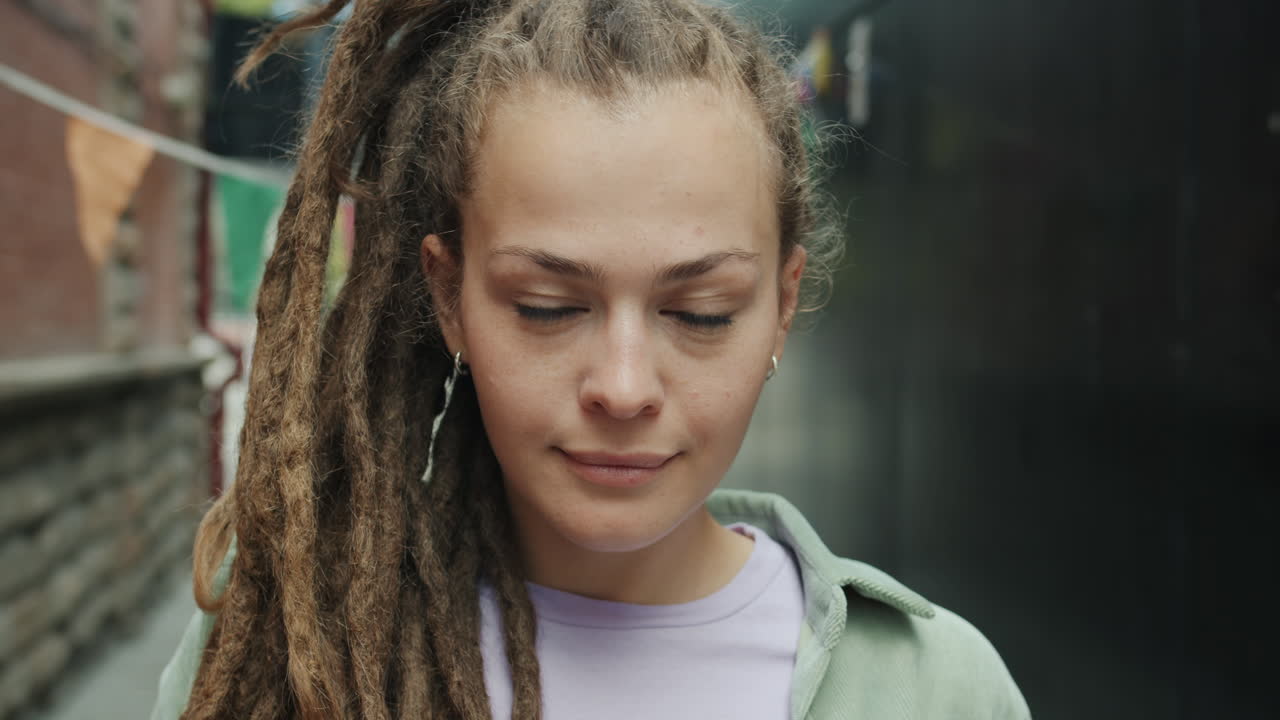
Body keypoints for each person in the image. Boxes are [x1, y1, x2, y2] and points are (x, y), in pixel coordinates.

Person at [152, 1, 1030, 718]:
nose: (623, 386)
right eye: (548, 308)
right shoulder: (282, 639)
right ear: (449, 297)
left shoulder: (938, 691)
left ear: (782, 304)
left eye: (699, 313)